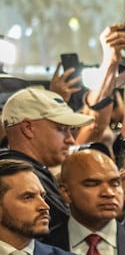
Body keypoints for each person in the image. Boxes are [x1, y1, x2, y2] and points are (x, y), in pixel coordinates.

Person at [0, 87, 94, 232]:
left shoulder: (36, 171)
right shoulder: (18, 176)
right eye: (61, 129)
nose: (70, 140)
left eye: (70, 130)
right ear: (28, 128)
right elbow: (69, 232)